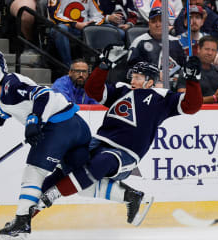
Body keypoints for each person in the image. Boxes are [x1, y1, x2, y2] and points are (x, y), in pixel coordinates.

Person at [36, 45, 203, 227]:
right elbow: (93, 90)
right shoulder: (121, 90)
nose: (133, 80)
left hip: (125, 153)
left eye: (138, 78)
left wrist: (193, 80)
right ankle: (23, 219)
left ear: (149, 82)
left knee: (101, 163)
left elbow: (191, 106)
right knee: (67, 164)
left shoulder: (161, 98)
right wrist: (105, 65)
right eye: (132, 76)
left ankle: (53, 196)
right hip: (98, 143)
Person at [0, 61, 92, 239]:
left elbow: (44, 95)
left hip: (59, 126)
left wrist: (34, 120)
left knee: (34, 171)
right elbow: (19, 102)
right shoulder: (8, 87)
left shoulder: (11, 87)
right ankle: (128, 195)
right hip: (76, 126)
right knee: (80, 175)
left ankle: (21, 222)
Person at [128, 7, 186, 88]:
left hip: (174, 86)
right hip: (149, 87)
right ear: (149, 24)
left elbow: (184, 66)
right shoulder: (139, 42)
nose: (158, 24)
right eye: (154, 21)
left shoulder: (176, 42)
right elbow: (131, 71)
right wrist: (154, 75)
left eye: (161, 21)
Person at [177, 35, 218, 104]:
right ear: (198, 49)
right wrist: (214, 98)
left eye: (213, 50)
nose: (210, 53)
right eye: (207, 49)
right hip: (196, 113)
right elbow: (183, 99)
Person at [48, 0, 105, 67]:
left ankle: (96, 67)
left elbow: (99, 16)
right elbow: (54, 15)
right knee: (61, 29)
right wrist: (75, 24)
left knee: (108, 30)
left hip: (84, 29)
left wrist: (90, 25)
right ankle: (68, 67)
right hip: (63, 27)